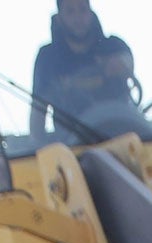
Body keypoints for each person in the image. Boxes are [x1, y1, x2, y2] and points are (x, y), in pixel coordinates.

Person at [30, 0, 140, 145]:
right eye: (70, 11)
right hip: (73, 152)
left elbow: (127, 63)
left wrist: (121, 65)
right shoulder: (48, 59)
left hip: (125, 142)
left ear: (90, 12)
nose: (78, 17)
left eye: (82, 9)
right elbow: (38, 113)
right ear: (59, 17)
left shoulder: (114, 47)